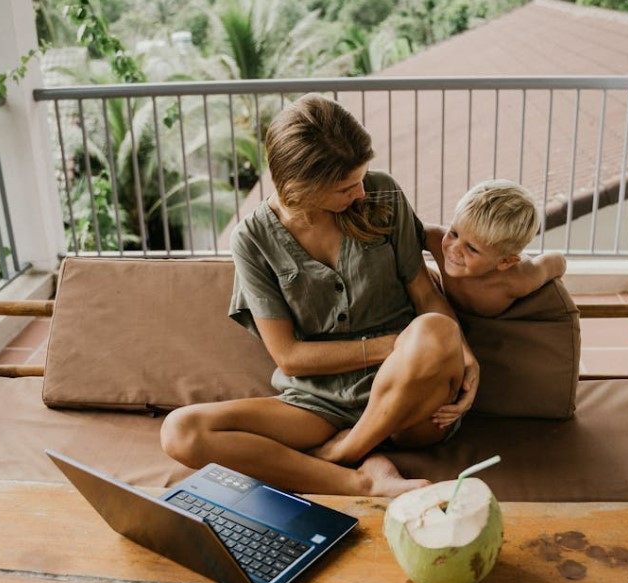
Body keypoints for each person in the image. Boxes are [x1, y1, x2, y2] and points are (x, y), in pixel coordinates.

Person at [161, 94, 478, 498]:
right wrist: (394, 346)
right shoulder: (253, 239)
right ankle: (360, 481)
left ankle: (345, 451)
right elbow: (290, 358)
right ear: (300, 190)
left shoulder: (382, 196)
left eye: (361, 178)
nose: (361, 192)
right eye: (346, 187)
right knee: (181, 432)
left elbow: (424, 294)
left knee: (435, 329)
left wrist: (465, 354)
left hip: (410, 400)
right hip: (319, 404)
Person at [423, 179, 567, 318]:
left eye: (472, 248)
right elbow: (405, 225)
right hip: (451, 312)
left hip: (500, 322)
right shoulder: (437, 240)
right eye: (454, 233)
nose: (454, 248)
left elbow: (558, 261)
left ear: (505, 262)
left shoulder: (520, 279)